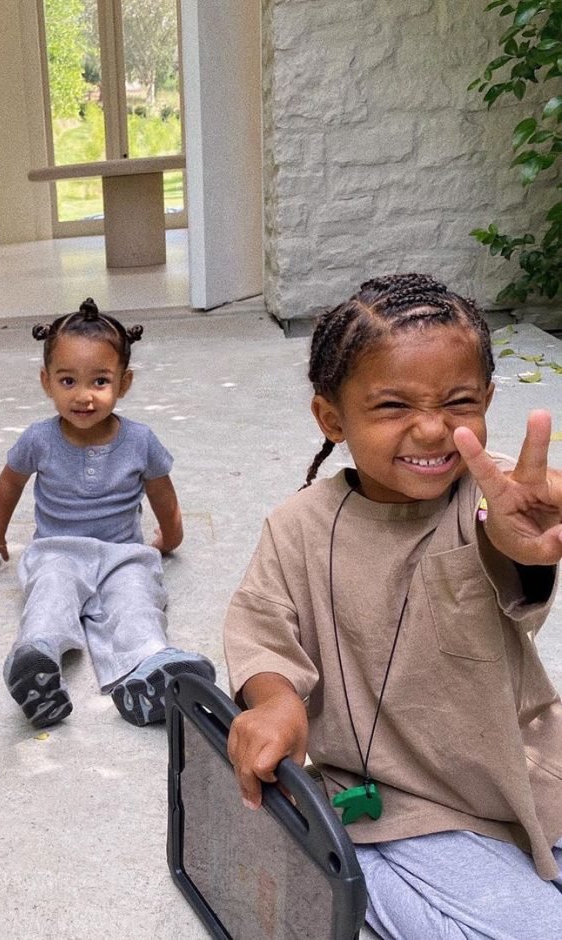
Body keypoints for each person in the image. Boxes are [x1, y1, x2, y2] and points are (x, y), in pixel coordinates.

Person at [223, 273, 562, 938]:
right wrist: (275, 701)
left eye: (459, 402)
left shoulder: (495, 498)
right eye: (392, 406)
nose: (432, 429)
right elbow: (261, 628)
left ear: (488, 400)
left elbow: (507, 546)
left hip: (527, 764)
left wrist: (527, 548)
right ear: (332, 418)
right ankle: (351, 866)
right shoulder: (297, 527)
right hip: (402, 803)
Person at [0, 299, 215, 728]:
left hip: (122, 554)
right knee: (50, 595)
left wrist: (169, 538)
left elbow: (163, 495)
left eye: (100, 381)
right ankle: (36, 659)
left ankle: (150, 668)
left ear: (124, 382)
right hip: (57, 550)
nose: (83, 396)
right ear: (46, 382)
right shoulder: (38, 439)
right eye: (68, 381)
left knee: (137, 602)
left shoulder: (140, 441)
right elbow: (9, 484)